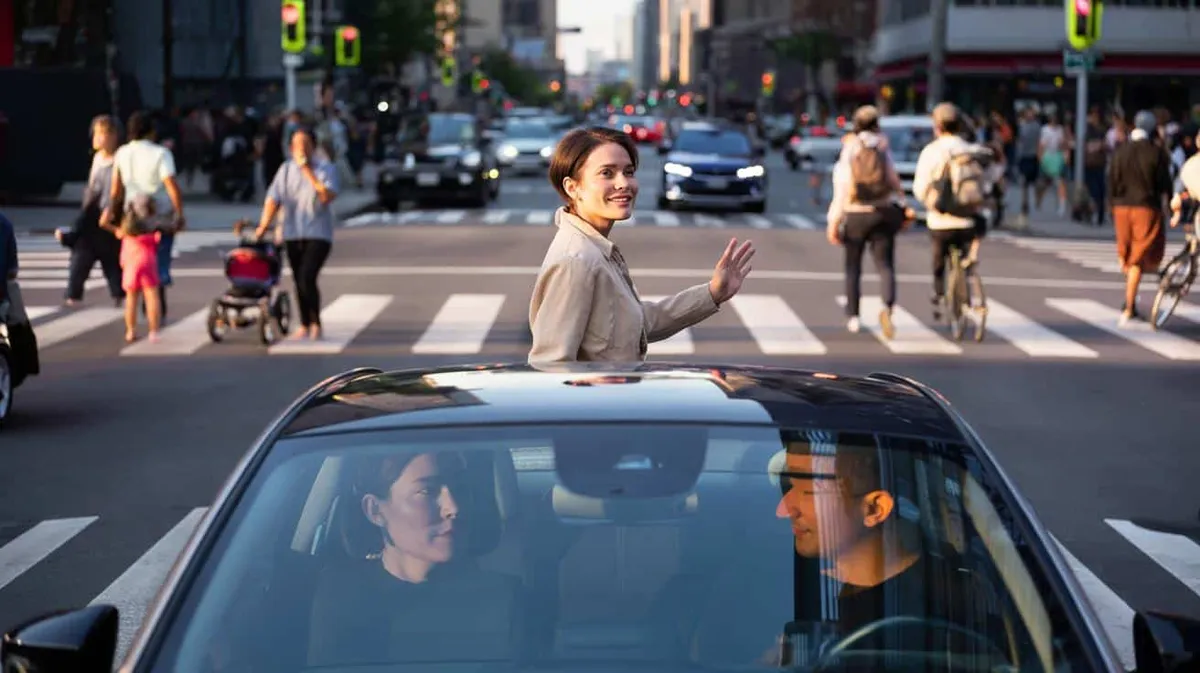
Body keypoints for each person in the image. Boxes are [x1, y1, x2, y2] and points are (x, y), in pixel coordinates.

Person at [527, 126, 755, 363]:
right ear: (573, 188)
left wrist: (713, 293)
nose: (623, 183)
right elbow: (551, 365)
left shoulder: (595, 249)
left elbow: (638, 324)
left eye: (628, 172)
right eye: (606, 173)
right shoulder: (576, 262)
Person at [825, 105, 907, 338]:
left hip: (855, 213)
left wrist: (834, 220)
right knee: (885, 265)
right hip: (882, 211)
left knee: (853, 267)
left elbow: (842, 185)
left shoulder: (851, 147)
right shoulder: (882, 145)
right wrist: (902, 201)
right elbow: (892, 178)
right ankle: (887, 307)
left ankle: (853, 316)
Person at [254, 126, 338, 340]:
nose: (300, 148)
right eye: (296, 144)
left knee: (307, 277)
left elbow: (327, 196)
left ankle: (315, 322)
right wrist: (263, 226)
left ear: (313, 147)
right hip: (292, 232)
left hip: (318, 233)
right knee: (298, 279)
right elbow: (273, 198)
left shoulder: (325, 168)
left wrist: (307, 171)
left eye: (305, 144)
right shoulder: (285, 170)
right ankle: (304, 323)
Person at [101, 110, 186, 321]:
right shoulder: (161, 153)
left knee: (136, 261)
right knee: (159, 260)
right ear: (151, 131)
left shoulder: (122, 153)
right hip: (159, 216)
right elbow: (171, 185)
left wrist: (113, 213)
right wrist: (179, 213)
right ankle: (157, 305)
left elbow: (116, 190)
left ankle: (138, 307)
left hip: (133, 217)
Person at [912, 103, 988, 321]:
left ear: (937, 127)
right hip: (969, 219)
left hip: (940, 220)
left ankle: (938, 294)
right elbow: (987, 182)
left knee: (939, 258)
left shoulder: (931, 152)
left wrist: (929, 202)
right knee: (969, 243)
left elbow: (919, 188)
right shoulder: (971, 149)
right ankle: (969, 267)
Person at [1108, 109, 1173, 325]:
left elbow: (1112, 179)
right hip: (1145, 207)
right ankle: (1129, 305)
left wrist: (1111, 205)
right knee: (1138, 256)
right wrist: (1168, 205)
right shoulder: (1156, 152)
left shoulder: (1121, 151)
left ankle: (1130, 296)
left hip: (1121, 207)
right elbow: (1165, 184)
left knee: (1126, 253)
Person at [57, 114, 124, 306]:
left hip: (110, 213)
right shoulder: (98, 158)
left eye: (100, 134)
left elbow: (116, 189)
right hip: (93, 213)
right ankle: (73, 292)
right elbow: (93, 187)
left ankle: (118, 292)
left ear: (113, 136)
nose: (96, 138)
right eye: (95, 134)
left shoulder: (119, 158)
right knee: (82, 254)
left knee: (110, 256)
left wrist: (111, 209)